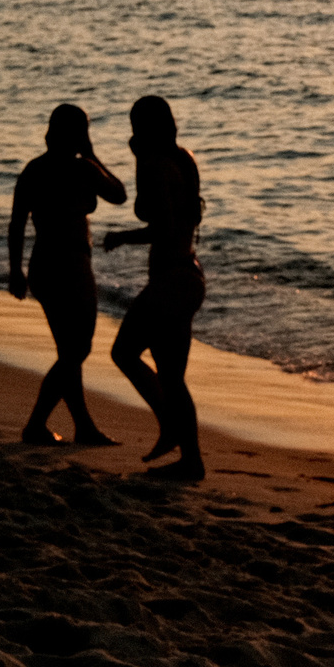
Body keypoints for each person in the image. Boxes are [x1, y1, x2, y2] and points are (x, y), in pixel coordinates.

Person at [9, 104, 129, 446]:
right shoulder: (83, 169)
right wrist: (93, 154)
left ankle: (84, 427)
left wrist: (16, 269)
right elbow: (119, 195)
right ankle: (35, 425)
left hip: (43, 264)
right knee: (77, 349)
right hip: (70, 265)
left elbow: (17, 223)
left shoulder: (35, 169)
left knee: (69, 350)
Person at [102, 94, 207, 479]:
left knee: (125, 352)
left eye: (135, 127)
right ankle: (191, 461)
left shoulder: (156, 166)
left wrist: (120, 237)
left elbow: (156, 222)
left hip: (171, 281)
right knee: (173, 377)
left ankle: (170, 429)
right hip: (189, 274)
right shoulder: (185, 159)